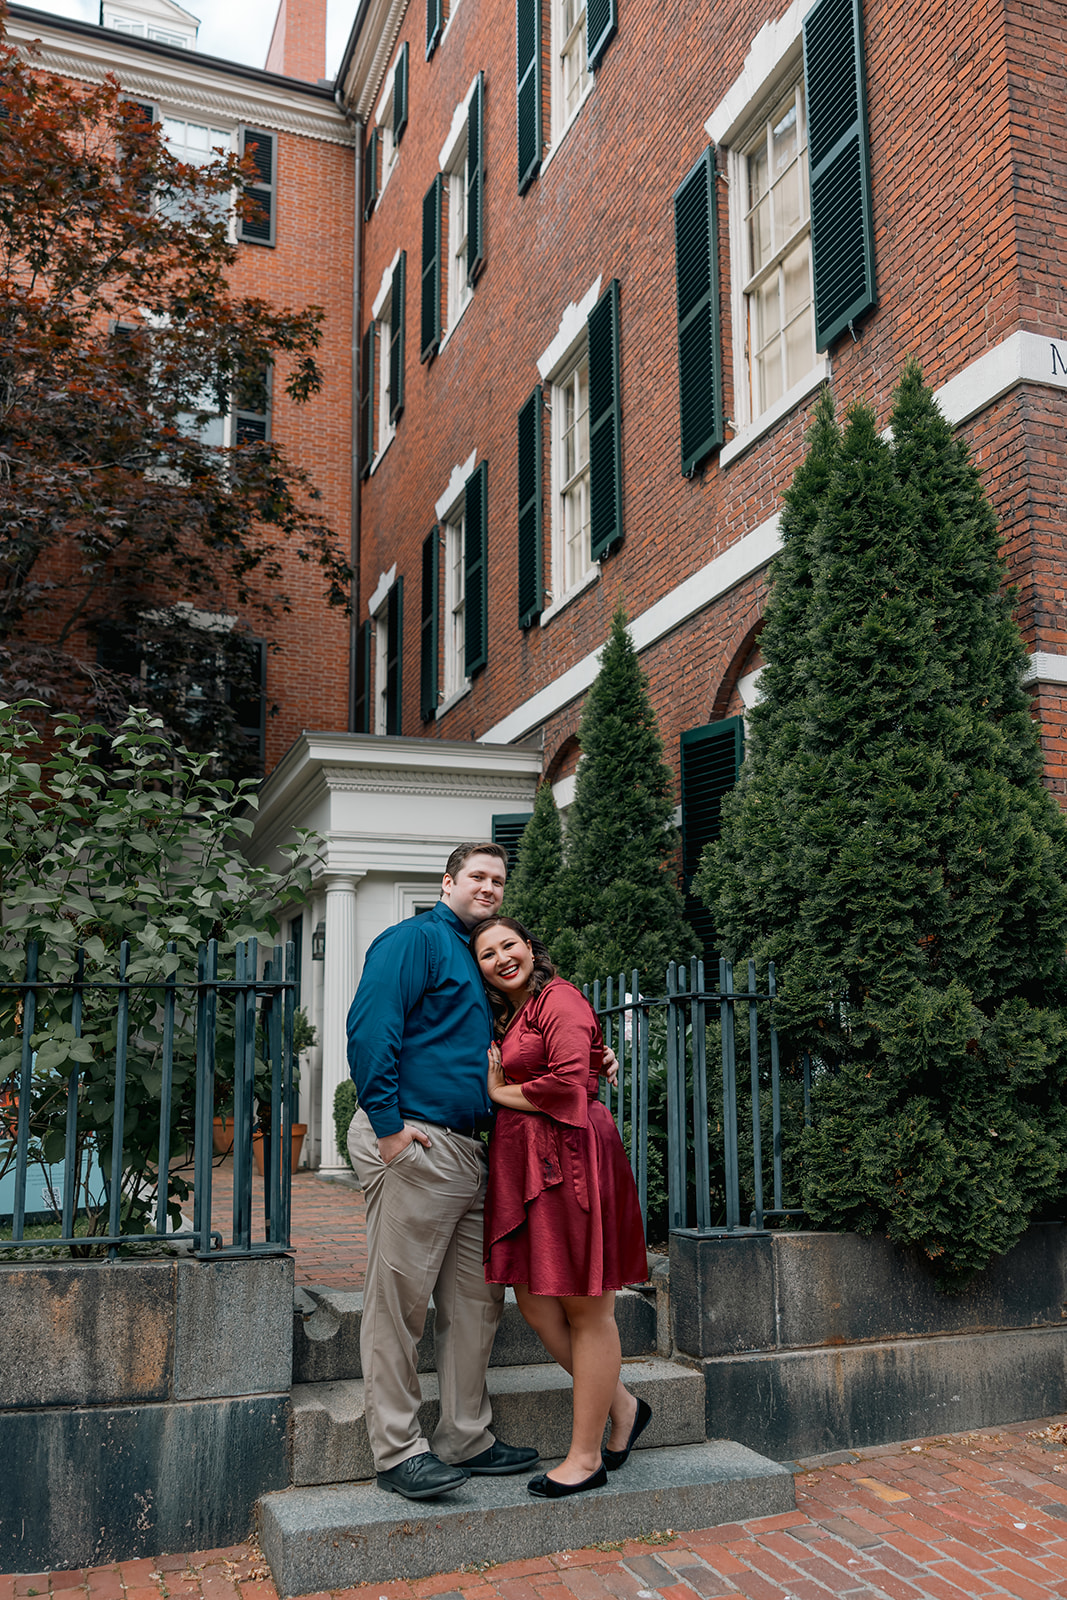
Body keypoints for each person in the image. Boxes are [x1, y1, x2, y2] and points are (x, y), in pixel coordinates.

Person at [345, 842, 539, 1501]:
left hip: (471, 1151)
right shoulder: (414, 940)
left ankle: (466, 1437)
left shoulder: (477, 954)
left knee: (475, 1303)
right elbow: (372, 1027)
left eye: (498, 880)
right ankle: (398, 1451)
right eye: (477, 876)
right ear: (448, 880)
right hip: (417, 1141)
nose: (489, 887)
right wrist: (390, 1127)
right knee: (397, 1304)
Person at [470, 914, 652, 1499]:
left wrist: (499, 1093)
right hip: (532, 1166)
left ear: (530, 948)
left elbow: (572, 1082)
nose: (500, 957)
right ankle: (623, 1406)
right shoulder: (517, 1010)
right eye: (487, 953)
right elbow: (586, 1058)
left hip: (571, 1160)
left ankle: (584, 1456)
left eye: (509, 945)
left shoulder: (559, 996)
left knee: (585, 1308)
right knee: (533, 1299)